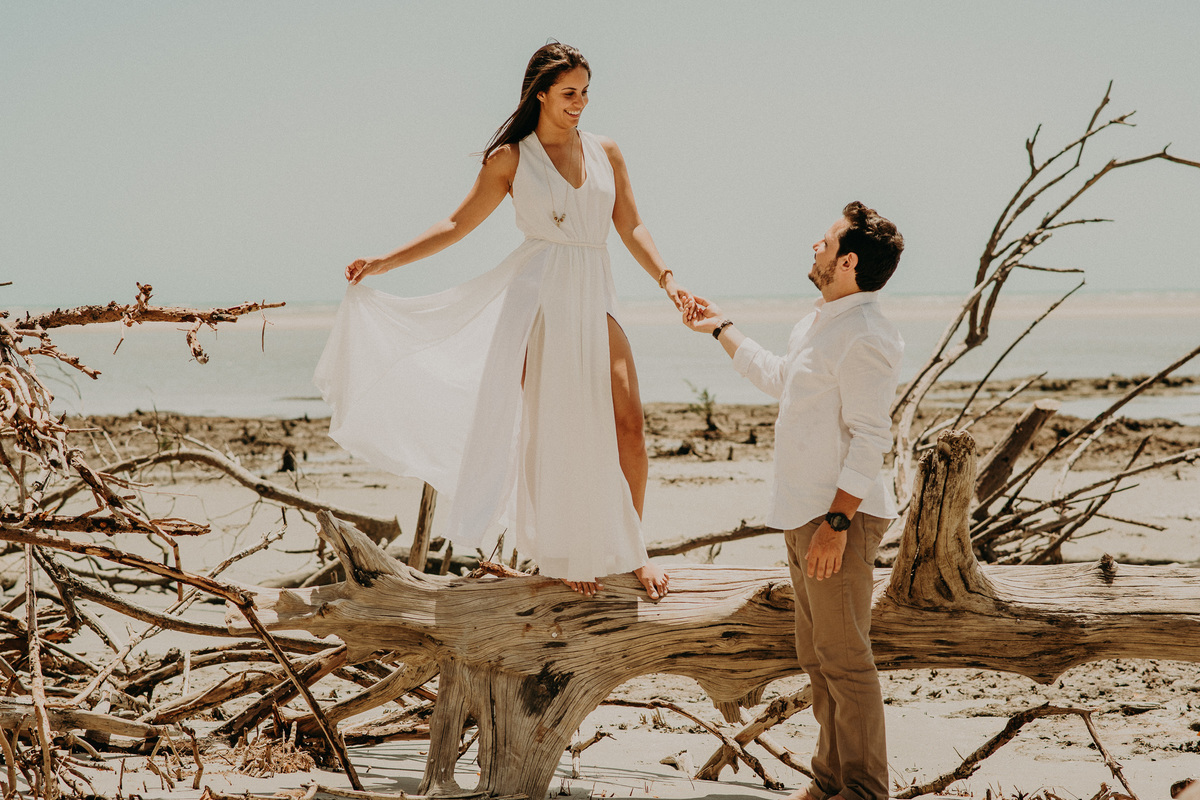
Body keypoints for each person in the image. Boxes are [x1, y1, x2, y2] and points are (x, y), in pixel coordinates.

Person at [315, 43, 693, 600]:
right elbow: (455, 223)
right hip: (539, 300)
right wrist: (383, 261)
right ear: (540, 93)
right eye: (569, 93)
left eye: (586, 91)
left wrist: (669, 280)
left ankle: (632, 549)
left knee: (629, 425)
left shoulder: (606, 151)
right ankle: (562, 551)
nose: (580, 103)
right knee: (554, 433)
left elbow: (632, 225)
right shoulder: (512, 158)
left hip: (596, 294)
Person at [684, 202, 904, 800]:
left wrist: (838, 522)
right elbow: (783, 378)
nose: (815, 244)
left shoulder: (866, 336)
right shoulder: (821, 322)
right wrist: (721, 329)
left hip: (840, 517)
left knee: (846, 658)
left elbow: (872, 438)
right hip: (807, 512)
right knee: (817, 655)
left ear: (848, 260)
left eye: (827, 241)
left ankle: (862, 790)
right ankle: (831, 780)